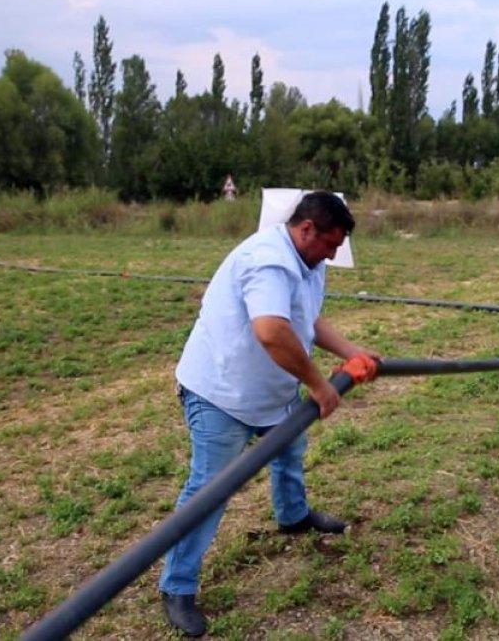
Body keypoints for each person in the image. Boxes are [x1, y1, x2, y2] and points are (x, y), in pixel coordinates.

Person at [159, 191, 378, 637]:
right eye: (331, 244)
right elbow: (272, 330)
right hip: (221, 393)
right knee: (210, 489)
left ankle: (293, 515)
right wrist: (319, 385)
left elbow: (306, 319)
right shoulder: (267, 260)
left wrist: (351, 351)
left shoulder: (309, 263)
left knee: (289, 449)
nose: (334, 254)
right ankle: (177, 587)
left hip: (269, 393)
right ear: (306, 229)